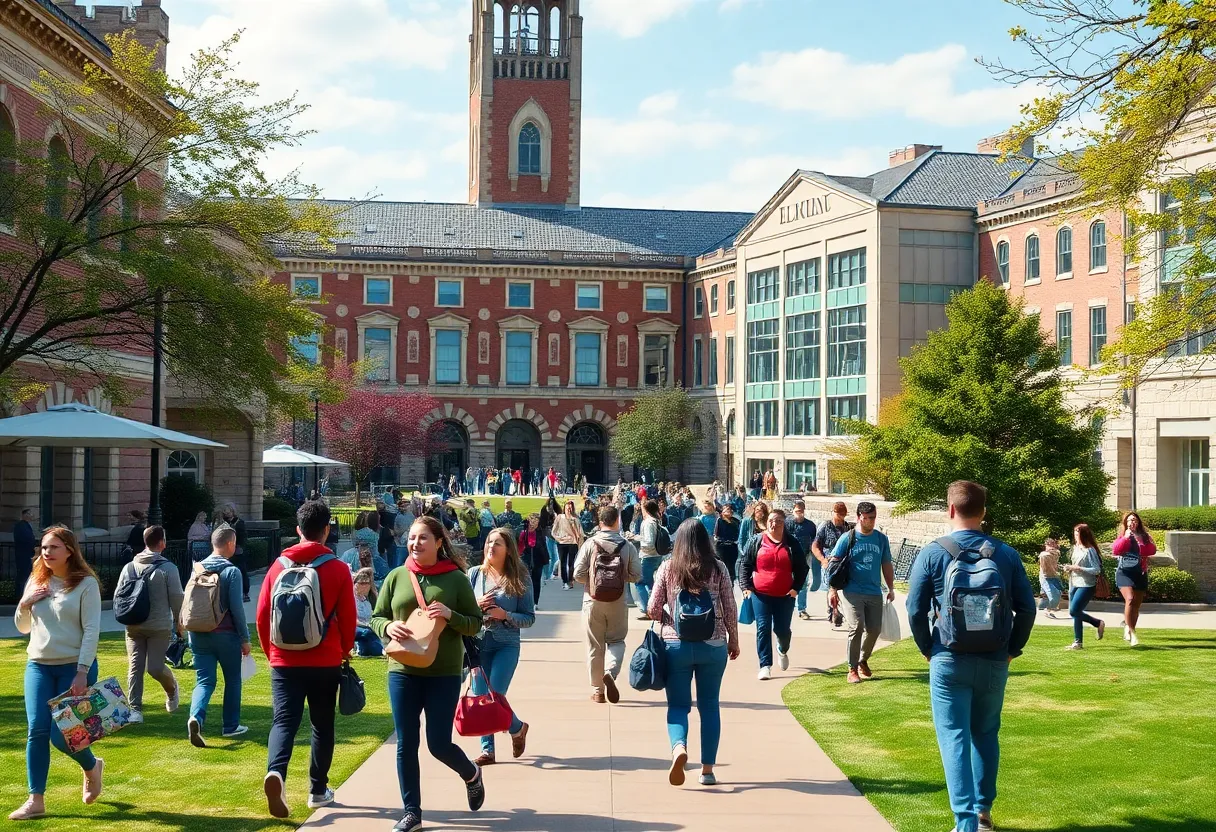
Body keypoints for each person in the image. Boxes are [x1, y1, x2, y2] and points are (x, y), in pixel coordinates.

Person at [906, 481, 1036, 832]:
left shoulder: (933, 552)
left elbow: (915, 609)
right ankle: (983, 812)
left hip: (948, 656)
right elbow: (1027, 609)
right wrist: (1012, 650)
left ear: (950, 510)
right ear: (983, 512)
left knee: (954, 737)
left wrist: (926, 648)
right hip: (995, 657)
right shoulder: (1005, 555)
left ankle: (964, 823)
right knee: (986, 733)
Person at [371, 515, 485, 832]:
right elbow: (377, 617)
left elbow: (475, 623)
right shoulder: (396, 577)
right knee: (406, 743)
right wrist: (387, 626)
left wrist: (450, 615)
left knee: (437, 743)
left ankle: (471, 773)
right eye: (412, 537)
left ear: (438, 542)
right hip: (402, 670)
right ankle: (412, 813)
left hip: (443, 673)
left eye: (423, 538)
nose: (415, 543)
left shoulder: (456, 580)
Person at [257, 500, 356, 818]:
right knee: (322, 725)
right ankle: (317, 790)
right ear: (327, 529)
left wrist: (270, 652)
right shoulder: (338, 568)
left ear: (298, 530)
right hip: (325, 659)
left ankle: (276, 772)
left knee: (283, 721)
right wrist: (344, 651)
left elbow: (261, 616)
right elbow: (349, 618)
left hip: (284, 659)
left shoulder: (277, 566)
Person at [9, 526, 104, 821]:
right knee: (36, 730)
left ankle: (91, 767)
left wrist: (82, 672)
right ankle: (35, 800)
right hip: (38, 665)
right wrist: (25, 604)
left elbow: (91, 631)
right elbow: (23, 627)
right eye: (44, 547)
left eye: (53, 547)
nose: (46, 552)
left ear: (70, 551)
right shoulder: (37, 580)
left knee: (64, 736)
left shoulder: (85, 584)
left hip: (74, 668)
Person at [646, 519, 739, 787]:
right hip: (713, 643)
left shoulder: (668, 567)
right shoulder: (718, 567)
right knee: (709, 705)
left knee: (677, 706)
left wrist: (668, 619)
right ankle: (707, 770)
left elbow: (652, 608)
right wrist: (733, 639)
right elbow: (729, 605)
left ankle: (679, 748)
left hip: (676, 644)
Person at [468, 528, 535, 765]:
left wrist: (504, 614)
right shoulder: (474, 575)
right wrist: (476, 605)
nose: (490, 547)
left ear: (508, 550)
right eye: (488, 542)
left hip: (506, 645)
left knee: (495, 695)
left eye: (497, 543)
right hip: (478, 644)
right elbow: (462, 611)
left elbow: (529, 617)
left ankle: (516, 728)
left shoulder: (520, 577)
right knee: (480, 697)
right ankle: (491, 748)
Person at [187, 523, 252, 748]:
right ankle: (230, 726)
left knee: (204, 680)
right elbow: (237, 608)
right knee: (232, 680)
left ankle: (196, 717)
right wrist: (245, 638)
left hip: (198, 632)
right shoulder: (231, 571)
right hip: (226, 635)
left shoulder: (197, 569)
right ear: (230, 543)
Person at [574, 505, 642, 703]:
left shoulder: (590, 544)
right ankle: (611, 672)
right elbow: (636, 574)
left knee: (595, 646)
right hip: (618, 600)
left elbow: (577, 574)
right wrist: (620, 577)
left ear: (600, 521)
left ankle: (598, 691)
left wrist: (594, 579)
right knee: (617, 640)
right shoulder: (627, 546)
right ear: (617, 521)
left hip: (592, 600)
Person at [115, 525, 183, 723]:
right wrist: (180, 623)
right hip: (137, 627)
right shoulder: (167, 568)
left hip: (155, 626)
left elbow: (118, 595)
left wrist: (178, 622)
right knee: (136, 667)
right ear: (162, 543)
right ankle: (135, 708)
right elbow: (177, 598)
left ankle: (171, 690)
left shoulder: (131, 567)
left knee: (154, 667)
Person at [828, 501, 895, 684]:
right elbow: (833, 565)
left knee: (874, 629)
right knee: (856, 626)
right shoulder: (847, 538)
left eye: (873, 518)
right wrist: (832, 589)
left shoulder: (881, 539)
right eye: (867, 518)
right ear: (858, 517)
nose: (871, 522)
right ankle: (852, 669)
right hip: (852, 590)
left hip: (874, 590)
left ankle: (862, 660)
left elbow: (886, 564)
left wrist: (891, 588)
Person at [739, 508, 807, 681]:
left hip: (785, 596)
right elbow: (745, 564)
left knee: (782, 630)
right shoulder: (756, 541)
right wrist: (746, 586)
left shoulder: (792, 543)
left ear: (784, 524)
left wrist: (796, 588)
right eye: (771, 520)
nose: (773, 523)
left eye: (778, 521)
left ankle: (782, 649)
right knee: (762, 627)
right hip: (760, 594)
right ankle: (765, 665)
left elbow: (802, 568)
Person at [1112, 511, 1154, 646]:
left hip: (1140, 573)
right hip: (1124, 573)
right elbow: (1116, 550)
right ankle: (1132, 632)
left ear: (1138, 523)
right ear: (1126, 523)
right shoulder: (1122, 536)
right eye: (1129, 520)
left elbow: (1151, 550)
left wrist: (1139, 542)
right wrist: (1125, 538)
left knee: (1136, 604)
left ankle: (1130, 628)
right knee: (1130, 599)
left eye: (1135, 520)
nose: (1132, 522)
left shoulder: (1145, 537)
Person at [1062, 524, 1106, 649]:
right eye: (1075, 534)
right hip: (1073, 582)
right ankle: (1078, 642)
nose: (1076, 537)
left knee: (1074, 611)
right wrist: (1068, 568)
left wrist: (1078, 568)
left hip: (1086, 584)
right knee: (1076, 613)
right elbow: (1074, 564)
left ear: (1084, 535)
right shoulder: (1075, 548)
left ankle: (1097, 623)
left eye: (1078, 534)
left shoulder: (1090, 550)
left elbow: (1096, 570)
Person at [813, 502, 851, 627]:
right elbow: (815, 545)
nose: (841, 517)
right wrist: (822, 560)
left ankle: (840, 611)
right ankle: (834, 612)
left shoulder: (847, 527)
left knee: (843, 587)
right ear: (833, 513)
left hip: (844, 561)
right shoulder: (825, 526)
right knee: (831, 587)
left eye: (843, 514)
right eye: (839, 514)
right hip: (829, 561)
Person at [633, 499, 665, 615]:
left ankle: (648, 609)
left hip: (648, 556)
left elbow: (649, 542)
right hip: (657, 555)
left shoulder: (648, 522)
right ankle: (655, 605)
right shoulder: (657, 521)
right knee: (650, 583)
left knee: (640, 583)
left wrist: (635, 537)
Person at [552, 500, 586, 591]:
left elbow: (580, 532)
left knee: (571, 563)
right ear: (564, 507)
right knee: (563, 562)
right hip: (562, 543)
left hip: (573, 543)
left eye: (570, 507)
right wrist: (559, 538)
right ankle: (564, 580)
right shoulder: (560, 517)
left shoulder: (576, 519)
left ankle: (570, 580)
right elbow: (554, 531)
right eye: (567, 506)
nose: (569, 509)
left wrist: (579, 540)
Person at [221, 504, 250, 602]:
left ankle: (245, 592)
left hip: (237, 550)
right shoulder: (223, 523)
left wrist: (238, 546)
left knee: (242, 571)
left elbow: (243, 536)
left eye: (228, 511)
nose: (227, 513)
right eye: (225, 511)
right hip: (226, 550)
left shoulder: (239, 522)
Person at [353, 568, 383, 658]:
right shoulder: (351, 599)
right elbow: (352, 620)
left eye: (367, 583)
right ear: (355, 584)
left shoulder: (367, 601)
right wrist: (368, 626)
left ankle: (368, 650)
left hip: (368, 627)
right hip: (354, 627)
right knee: (367, 632)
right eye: (362, 583)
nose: (365, 586)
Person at [518, 514, 547, 607]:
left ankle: (535, 602)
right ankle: (526, 601)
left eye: (536, 522)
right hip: (525, 560)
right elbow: (519, 548)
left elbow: (543, 546)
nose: (533, 525)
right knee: (525, 581)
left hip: (538, 560)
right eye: (531, 522)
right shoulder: (523, 533)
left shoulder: (540, 532)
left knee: (536, 581)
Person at [713, 503, 741, 583]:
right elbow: (716, 534)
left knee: (731, 566)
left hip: (732, 546)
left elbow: (738, 534)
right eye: (726, 509)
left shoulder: (736, 521)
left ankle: (731, 583)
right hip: (721, 546)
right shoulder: (719, 520)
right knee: (723, 565)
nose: (728, 511)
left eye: (729, 509)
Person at [1037, 537, 1063, 618]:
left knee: (1051, 594)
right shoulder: (1044, 555)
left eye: (1052, 544)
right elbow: (1043, 556)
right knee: (1053, 595)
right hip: (1046, 577)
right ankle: (1047, 610)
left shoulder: (1055, 553)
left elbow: (1056, 555)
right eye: (1048, 544)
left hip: (1054, 576)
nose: (1051, 546)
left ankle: (1043, 609)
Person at [12, 508, 35, 593]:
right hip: (23, 555)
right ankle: (19, 594)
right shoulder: (20, 525)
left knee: (26, 575)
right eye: (29, 514)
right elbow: (25, 539)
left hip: (28, 554)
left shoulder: (27, 525)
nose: (31, 516)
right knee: (22, 576)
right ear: (24, 515)